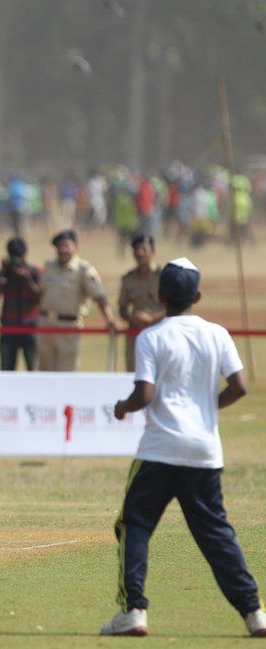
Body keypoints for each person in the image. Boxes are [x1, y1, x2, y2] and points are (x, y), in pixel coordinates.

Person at [102, 259, 266, 638]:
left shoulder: (152, 337)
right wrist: (208, 409)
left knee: (135, 524)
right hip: (204, 452)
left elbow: (144, 394)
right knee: (216, 534)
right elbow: (239, 386)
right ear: (197, 295)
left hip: (159, 450)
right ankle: (254, 612)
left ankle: (134, 612)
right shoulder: (217, 334)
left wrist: (123, 408)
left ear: (160, 296)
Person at [37, 230, 116, 372]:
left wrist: (109, 318)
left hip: (68, 326)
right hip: (46, 325)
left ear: (75, 247)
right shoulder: (49, 266)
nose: (63, 249)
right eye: (60, 246)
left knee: (67, 372)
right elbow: (41, 293)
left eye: (67, 245)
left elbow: (99, 296)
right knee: (45, 372)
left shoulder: (83, 269)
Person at [0, 237, 41, 371]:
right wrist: (1, 277)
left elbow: (37, 299)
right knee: (6, 371)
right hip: (9, 327)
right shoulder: (3, 274)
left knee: (34, 370)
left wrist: (26, 279)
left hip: (30, 328)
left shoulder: (33, 273)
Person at [118, 235, 164, 372]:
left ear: (153, 252)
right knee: (133, 373)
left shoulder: (164, 277)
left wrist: (152, 318)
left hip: (160, 332)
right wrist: (131, 318)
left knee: (160, 373)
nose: (140, 253)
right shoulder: (128, 279)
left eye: (144, 249)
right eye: (136, 250)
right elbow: (122, 307)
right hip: (135, 334)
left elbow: (174, 307)